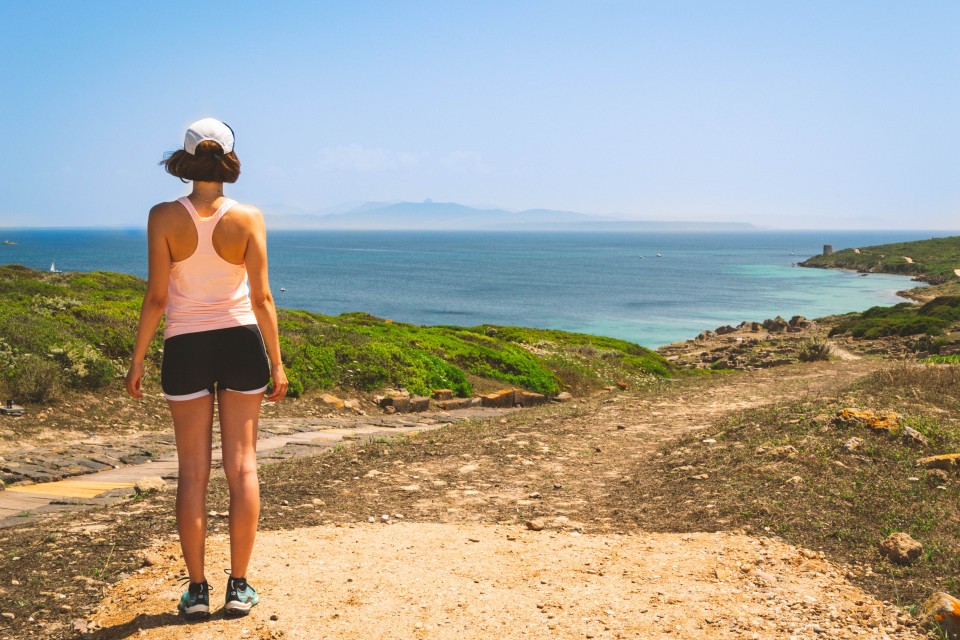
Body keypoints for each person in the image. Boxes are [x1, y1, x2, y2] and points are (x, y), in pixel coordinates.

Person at [124, 118, 288, 620]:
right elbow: (260, 298)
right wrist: (277, 363)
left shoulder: (162, 216)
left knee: (192, 473)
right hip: (240, 342)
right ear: (230, 156)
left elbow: (156, 297)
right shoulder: (250, 217)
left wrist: (137, 360)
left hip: (186, 347)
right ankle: (239, 587)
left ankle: (196, 591)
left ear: (188, 155)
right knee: (243, 466)